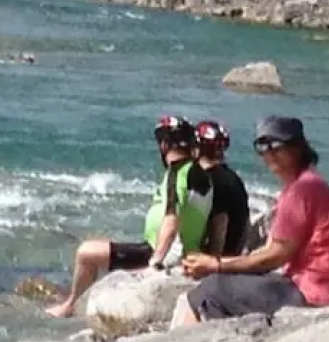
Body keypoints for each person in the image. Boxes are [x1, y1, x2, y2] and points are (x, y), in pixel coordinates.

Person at [176, 116, 329, 324]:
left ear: (298, 148)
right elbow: (271, 252)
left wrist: (216, 264)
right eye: (261, 146)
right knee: (219, 285)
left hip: (319, 294)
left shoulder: (302, 190)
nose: (269, 153)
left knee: (210, 290)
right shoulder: (304, 184)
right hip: (318, 286)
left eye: (276, 145)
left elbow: (275, 256)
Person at [45, 115, 214, 319]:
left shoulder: (177, 174)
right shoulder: (200, 175)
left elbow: (171, 220)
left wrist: (156, 262)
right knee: (101, 248)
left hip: (163, 254)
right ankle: (80, 299)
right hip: (185, 252)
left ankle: (70, 305)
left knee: (86, 253)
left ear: (164, 144)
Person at [195, 120, 250, 257]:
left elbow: (220, 226)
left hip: (220, 259)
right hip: (233, 253)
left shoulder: (212, 181)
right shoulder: (232, 178)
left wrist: (213, 266)